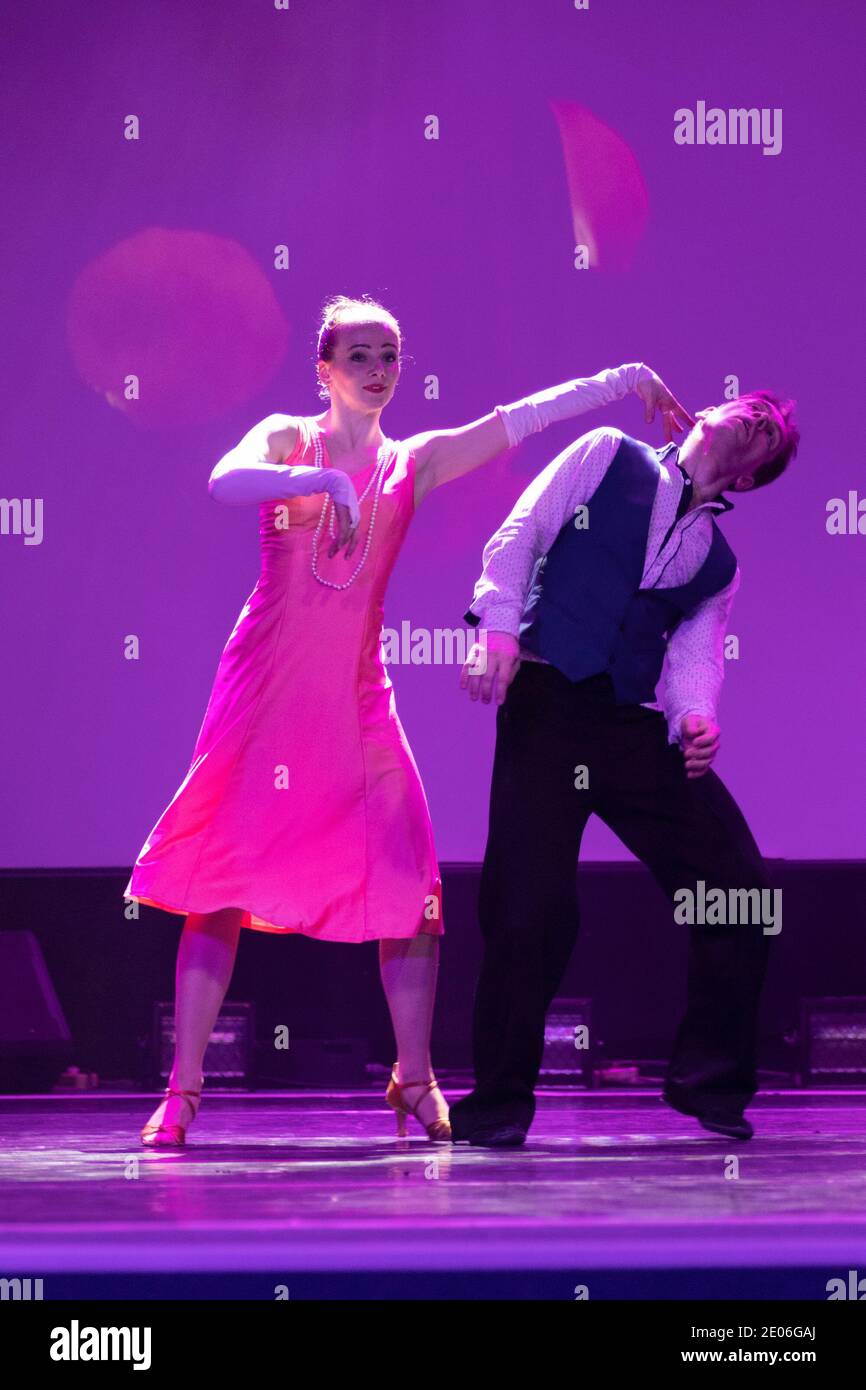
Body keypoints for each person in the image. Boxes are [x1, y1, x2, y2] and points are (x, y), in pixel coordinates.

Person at [125, 290, 689, 1146]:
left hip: (355, 697)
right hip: (265, 690)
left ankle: (414, 1078)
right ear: (325, 368)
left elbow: (517, 420)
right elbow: (223, 479)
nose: (378, 370)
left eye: (389, 356)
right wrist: (320, 481)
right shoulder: (289, 438)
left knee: (410, 884)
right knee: (220, 885)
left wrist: (624, 378)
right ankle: (185, 1088)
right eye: (359, 355)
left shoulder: (412, 463)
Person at [450, 390, 799, 1147]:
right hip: (547, 703)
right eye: (750, 408)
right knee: (528, 907)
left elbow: (694, 656)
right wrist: (498, 627)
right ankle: (498, 1105)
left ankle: (709, 1083)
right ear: (706, 414)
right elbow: (521, 533)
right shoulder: (608, 453)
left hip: (628, 723)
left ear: (750, 476)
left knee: (739, 888)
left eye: (769, 431)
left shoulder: (719, 563)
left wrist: (694, 716)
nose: (758, 419)